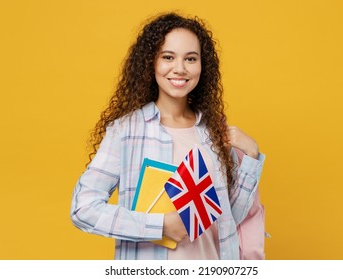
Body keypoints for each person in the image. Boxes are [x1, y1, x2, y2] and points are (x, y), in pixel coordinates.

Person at [70, 12, 265, 260]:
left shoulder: (214, 132)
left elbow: (229, 219)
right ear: (151, 62)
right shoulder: (127, 132)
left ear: (203, 66)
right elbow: (83, 208)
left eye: (191, 58)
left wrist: (251, 155)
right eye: (168, 57)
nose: (180, 69)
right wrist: (159, 226)